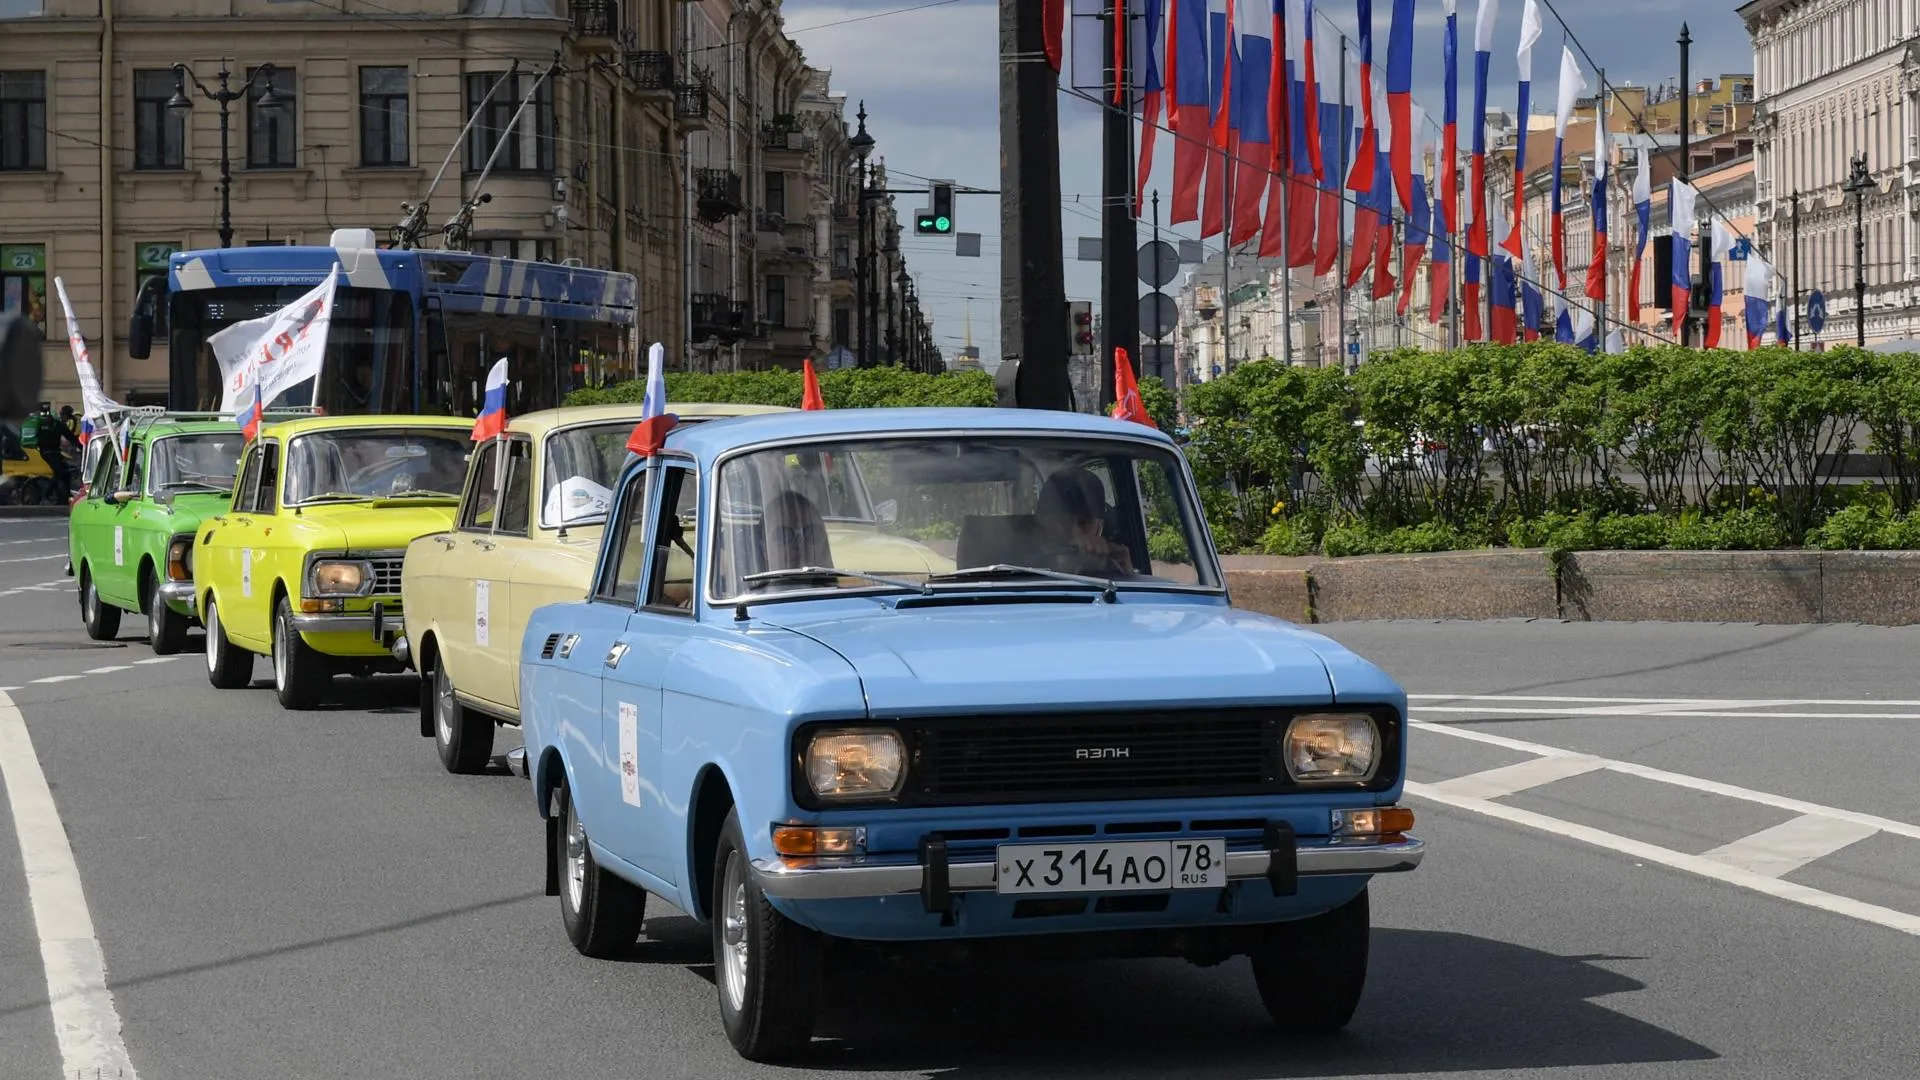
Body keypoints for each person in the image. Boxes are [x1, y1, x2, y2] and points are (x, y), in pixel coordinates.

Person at [1034, 466, 1134, 577]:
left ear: (1099, 528)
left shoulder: (1111, 564)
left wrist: (1127, 575)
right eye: (1062, 522)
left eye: (1085, 523)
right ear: (1043, 522)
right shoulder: (1019, 567)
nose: (1074, 533)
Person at [762, 489, 832, 572]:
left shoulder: (849, 583)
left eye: (812, 534)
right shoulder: (746, 585)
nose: (800, 543)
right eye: (783, 535)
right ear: (765, 548)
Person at [30, 401, 78, 498]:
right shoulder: (58, 425)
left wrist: (81, 446)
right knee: (59, 472)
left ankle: (65, 496)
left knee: (66, 473)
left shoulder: (49, 424)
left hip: (50, 452)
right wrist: (81, 446)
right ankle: (47, 495)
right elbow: (71, 437)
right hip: (49, 452)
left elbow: (71, 437)